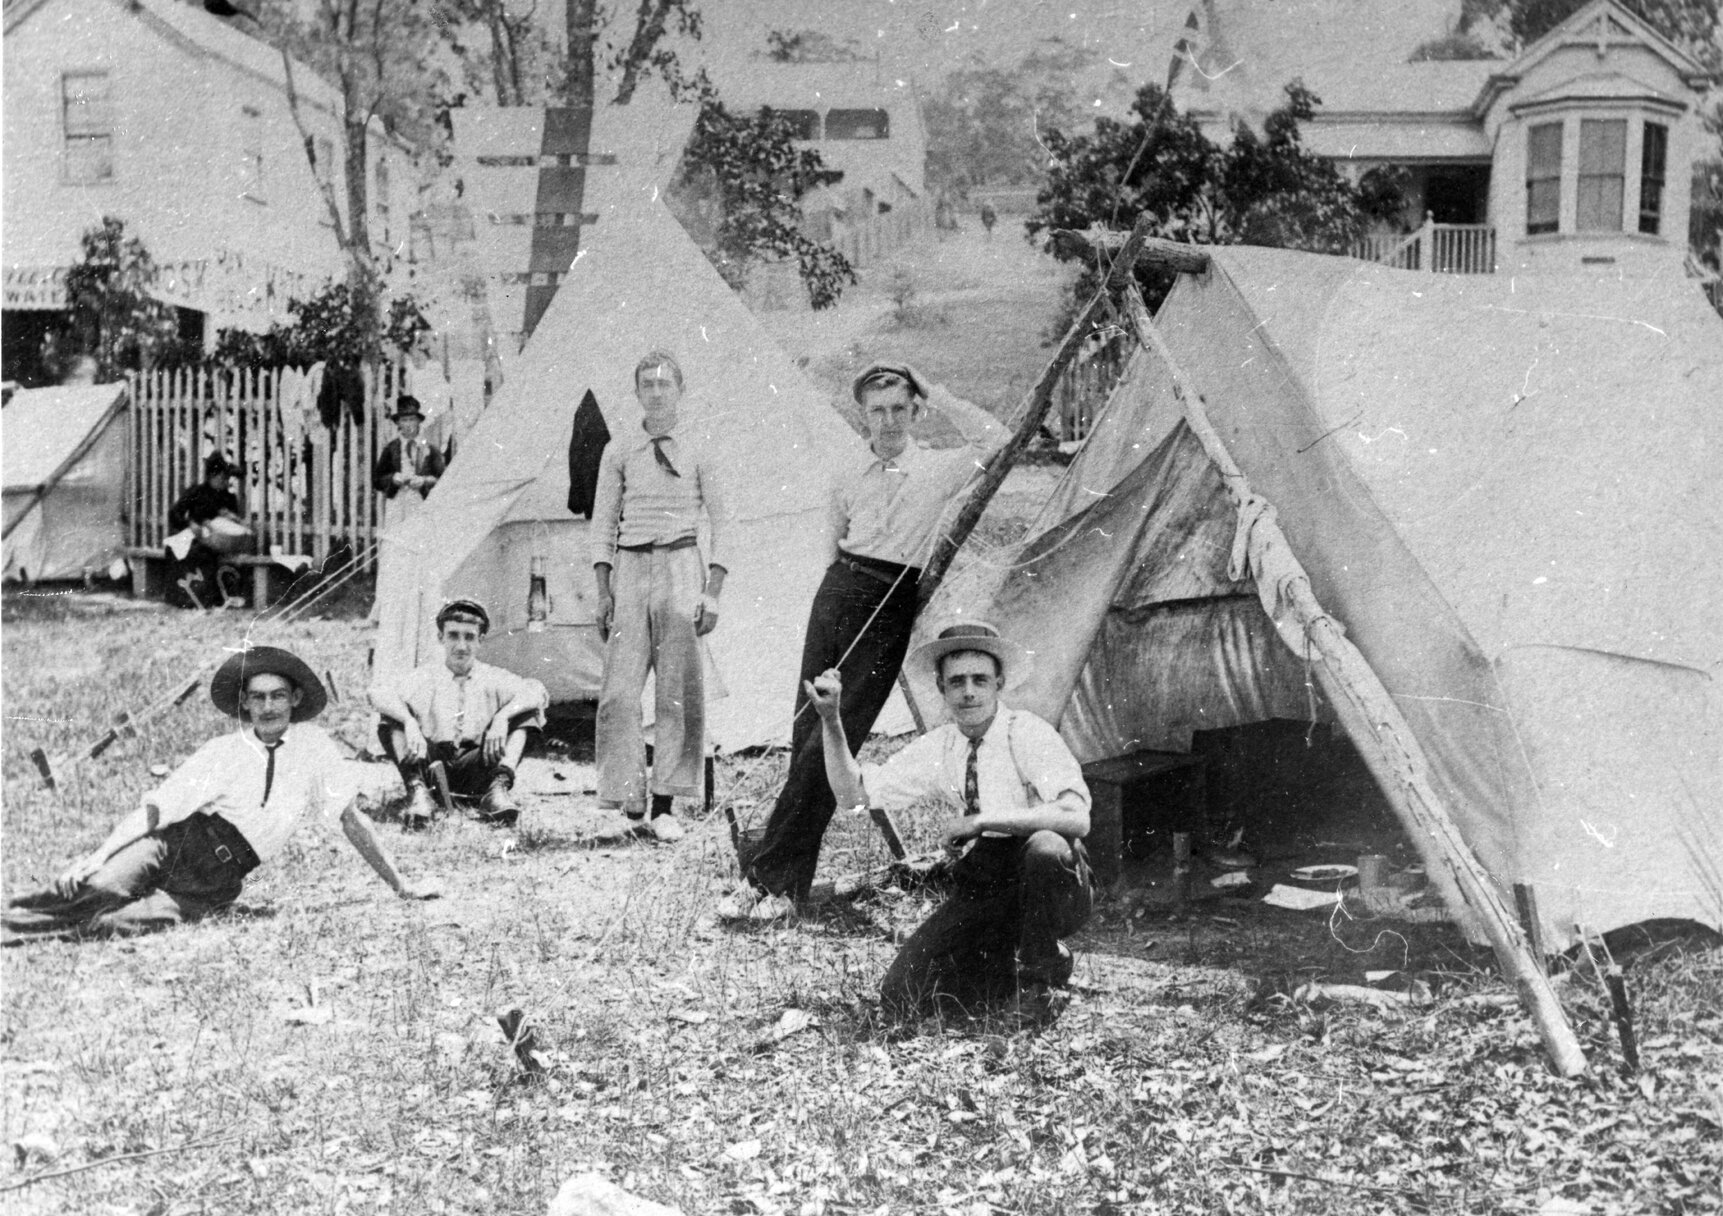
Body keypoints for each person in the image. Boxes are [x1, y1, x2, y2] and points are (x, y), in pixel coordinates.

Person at [722, 362, 1006, 919]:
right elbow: (833, 542)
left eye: (901, 408)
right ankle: (777, 881)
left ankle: (772, 882)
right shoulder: (848, 469)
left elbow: (995, 439)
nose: (889, 421)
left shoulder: (936, 470)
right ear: (863, 415)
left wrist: (938, 388)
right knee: (807, 729)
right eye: (877, 410)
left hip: (888, 601)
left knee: (835, 736)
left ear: (915, 410)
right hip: (837, 593)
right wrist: (833, 598)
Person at [3, 645, 440, 938]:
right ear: (244, 704)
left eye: (278, 696)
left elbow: (351, 819)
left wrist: (401, 885)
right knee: (97, 888)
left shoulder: (315, 748)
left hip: (214, 881)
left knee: (112, 924)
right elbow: (156, 812)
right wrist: (101, 853)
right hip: (171, 846)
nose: (268, 707)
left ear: (295, 700)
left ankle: (39, 926)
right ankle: (9, 918)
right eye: (258, 697)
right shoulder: (223, 750)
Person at [807, 622, 1093, 1017]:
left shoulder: (1026, 732)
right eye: (957, 682)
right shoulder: (941, 745)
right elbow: (853, 797)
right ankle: (1020, 958)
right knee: (904, 995)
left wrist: (981, 820)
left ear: (999, 683)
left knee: (1045, 849)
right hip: (985, 880)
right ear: (942, 689)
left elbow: (1076, 817)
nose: (969, 692)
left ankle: (1040, 978)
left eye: (980, 679)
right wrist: (831, 721)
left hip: (1052, 878)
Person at [591, 350, 731, 842]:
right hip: (630, 567)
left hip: (681, 564)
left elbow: (724, 522)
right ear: (636, 393)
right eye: (646, 384)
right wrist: (603, 587)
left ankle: (666, 804)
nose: (655, 391)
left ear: (679, 390)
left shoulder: (700, 446)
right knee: (620, 694)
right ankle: (629, 801)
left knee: (676, 692)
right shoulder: (619, 448)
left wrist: (711, 592)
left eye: (664, 383)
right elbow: (604, 521)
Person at [368, 598, 548, 829]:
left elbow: (537, 691)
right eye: (453, 635)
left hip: (479, 766)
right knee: (391, 718)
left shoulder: (493, 677)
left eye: (469, 637)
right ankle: (418, 793)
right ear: (440, 638)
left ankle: (496, 792)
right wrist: (409, 721)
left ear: (480, 640)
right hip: (430, 765)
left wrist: (503, 718)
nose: (461, 646)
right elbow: (377, 693)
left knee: (525, 716)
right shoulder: (424, 677)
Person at [165, 453, 248, 607]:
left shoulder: (229, 498)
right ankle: (184, 597)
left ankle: (205, 599)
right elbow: (174, 513)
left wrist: (232, 517)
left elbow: (234, 526)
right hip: (194, 535)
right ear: (212, 476)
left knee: (207, 555)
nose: (225, 481)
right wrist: (189, 523)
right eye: (222, 477)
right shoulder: (196, 492)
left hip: (218, 540)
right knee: (180, 551)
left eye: (227, 478)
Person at [372, 396, 445, 528]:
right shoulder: (391, 448)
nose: (408, 424)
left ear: (418, 421)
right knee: (395, 539)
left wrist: (425, 481)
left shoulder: (430, 449)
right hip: (397, 502)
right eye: (404, 420)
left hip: (420, 501)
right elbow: (377, 480)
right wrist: (392, 479)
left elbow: (442, 479)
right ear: (398, 423)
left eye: (412, 419)